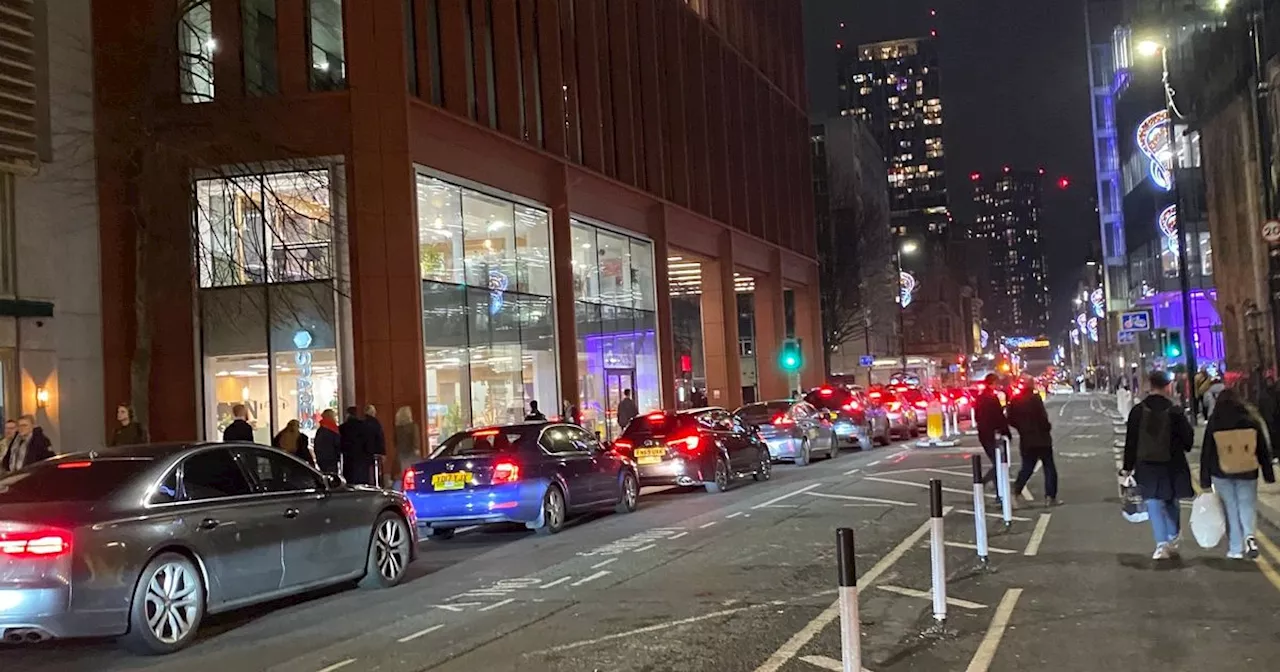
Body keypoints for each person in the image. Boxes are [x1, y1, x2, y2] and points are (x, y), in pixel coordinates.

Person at [1122, 370, 1196, 560]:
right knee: (1171, 500)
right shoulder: (1175, 410)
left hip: (1146, 465)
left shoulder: (1138, 411)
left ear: (1150, 385)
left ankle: (1161, 544)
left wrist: (1127, 466)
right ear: (1167, 386)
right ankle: (1173, 536)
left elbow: (1131, 441)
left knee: (1153, 502)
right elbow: (1188, 441)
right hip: (1172, 464)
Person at [1199, 389, 1276, 559]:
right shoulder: (1250, 420)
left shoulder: (1215, 420)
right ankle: (1249, 536)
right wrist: (1268, 473)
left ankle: (1235, 548)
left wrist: (1205, 479)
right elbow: (1262, 448)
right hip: (1248, 470)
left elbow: (1207, 450)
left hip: (1221, 472)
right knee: (1247, 505)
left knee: (1230, 508)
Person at [1008, 379, 1059, 507]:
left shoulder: (1015, 401)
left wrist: (1021, 428)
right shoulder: (1035, 399)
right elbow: (1042, 418)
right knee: (1049, 467)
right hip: (1042, 439)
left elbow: (1010, 419)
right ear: (1031, 386)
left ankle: (1015, 491)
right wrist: (1047, 427)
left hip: (1026, 440)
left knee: (1027, 468)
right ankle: (1050, 497)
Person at [974, 374, 1011, 492]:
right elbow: (999, 417)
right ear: (993, 382)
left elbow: (977, 415)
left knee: (997, 461)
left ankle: (998, 490)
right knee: (998, 463)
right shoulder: (992, 398)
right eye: (996, 382)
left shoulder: (980, 397)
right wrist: (1006, 432)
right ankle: (983, 482)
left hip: (983, 433)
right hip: (991, 433)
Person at [340, 406, 373, 485]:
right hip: (362, 459)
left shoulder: (342, 428)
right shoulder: (365, 426)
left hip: (348, 460)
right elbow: (368, 443)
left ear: (347, 415)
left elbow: (340, 445)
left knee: (350, 484)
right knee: (363, 484)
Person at [394, 406, 421, 478]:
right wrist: (417, 448)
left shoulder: (397, 428)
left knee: (405, 472)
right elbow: (415, 439)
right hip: (412, 452)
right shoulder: (413, 426)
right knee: (415, 472)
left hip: (401, 452)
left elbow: (395, 441)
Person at [312, 408, 342, 473]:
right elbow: (337, 443)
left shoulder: (321, 429)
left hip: (321, 458)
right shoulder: (332, 428)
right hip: (331, 458)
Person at [364, 405, 387, 486]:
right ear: (372, 412)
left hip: (365, 452)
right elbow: (380, 438)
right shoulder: (375, 423)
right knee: (375, 471)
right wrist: (383, 453)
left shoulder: (362, 422)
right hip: (375, 451)